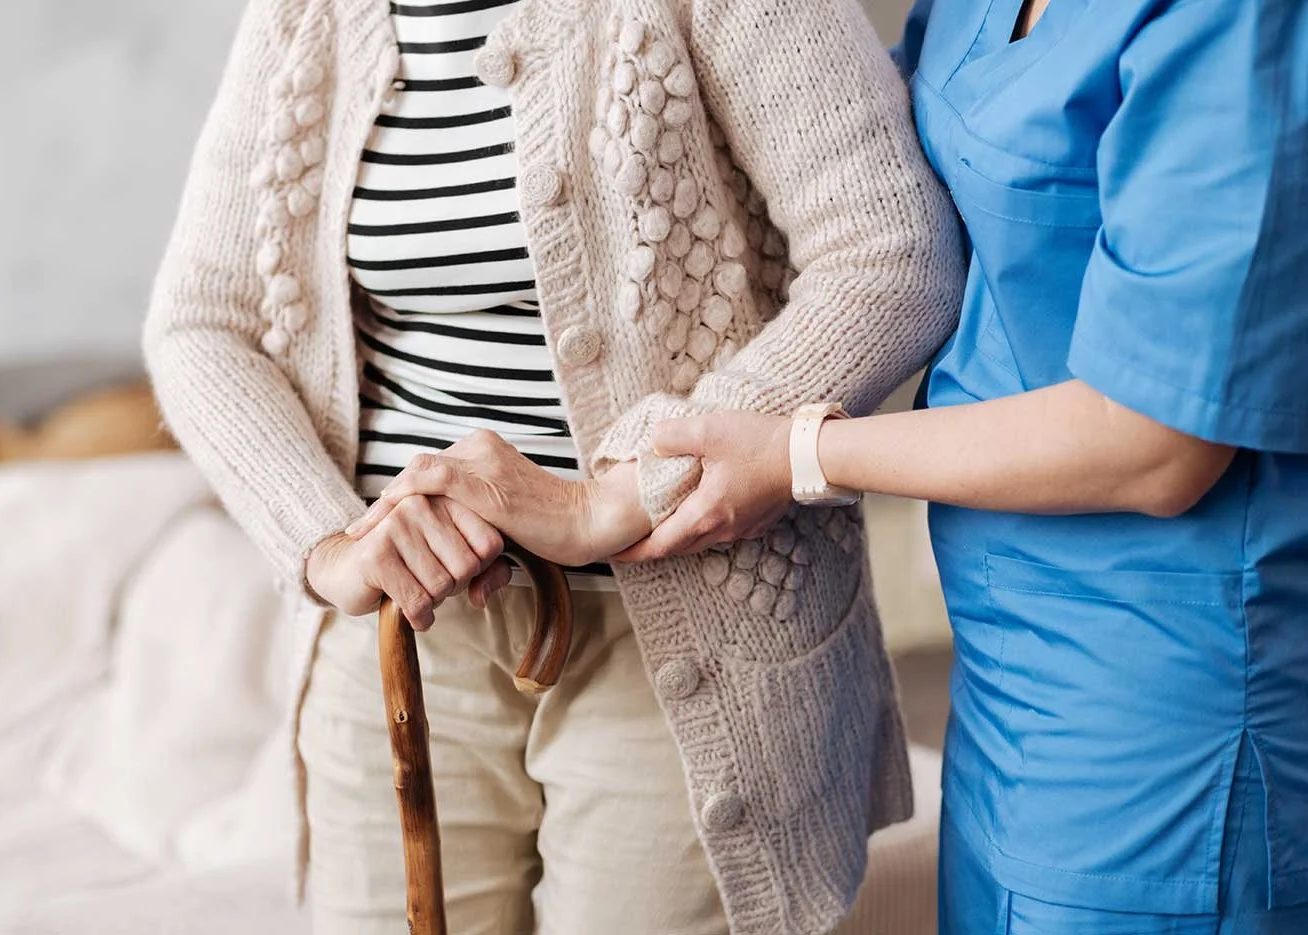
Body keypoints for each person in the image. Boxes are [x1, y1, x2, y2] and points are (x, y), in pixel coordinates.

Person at [386, 0, 1308, 932]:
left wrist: (796, 454)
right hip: (1007, 657)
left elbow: (1157, 440)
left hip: (1174, 674)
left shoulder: (1232, 20)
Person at [143, 0, 965, 930]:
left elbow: (893, 252)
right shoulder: (305, 15)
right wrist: (327, 541)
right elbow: (203, 322)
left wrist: (627, 489)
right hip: (406, 641)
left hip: (685, 621)